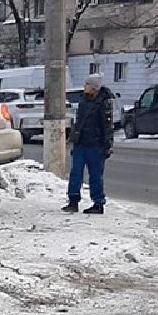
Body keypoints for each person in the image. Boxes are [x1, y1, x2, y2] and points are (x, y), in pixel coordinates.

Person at [64, 73, 115, 215]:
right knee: (75, 173)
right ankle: (73, 200)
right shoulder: (84, 101)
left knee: (95, 175)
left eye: (87, 84)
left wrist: (107, 146)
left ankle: (98, 203)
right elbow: (78, 122)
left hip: (95, 145)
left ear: (94, 87)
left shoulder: (104, 103)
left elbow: (107, 127)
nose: (84, 87)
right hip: (81, 144)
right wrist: (74, 139)